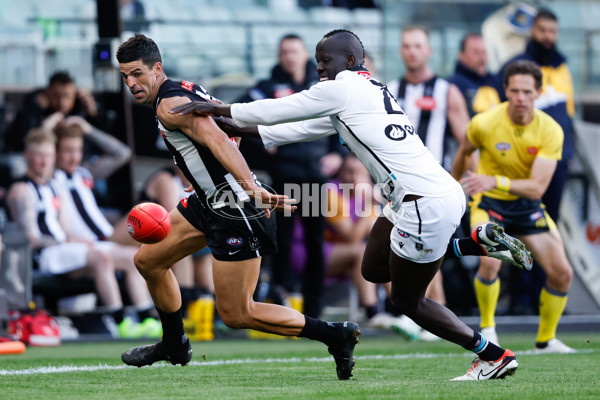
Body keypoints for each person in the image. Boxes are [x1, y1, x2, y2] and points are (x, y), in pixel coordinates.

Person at [171, 29, 535, 380]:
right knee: (374, 268)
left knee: (409, 302)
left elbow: (281, 109)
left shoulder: (343, 88)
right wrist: (225, 124)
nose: (319, 68)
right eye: (316, 61)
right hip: (424, 196)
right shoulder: (366, 90)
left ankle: (493, 355)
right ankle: (474, 244)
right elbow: (292, 130)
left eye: (325, 59)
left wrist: (219, 107)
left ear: (350, 60)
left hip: (422, 203)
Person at [116, 33, 360, 380]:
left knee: (237, 313)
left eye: (137, 73)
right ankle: (174, 343)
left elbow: (217, 138)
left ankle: (334, 335)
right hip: (207, 201)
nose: (131, 82)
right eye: (125, 76)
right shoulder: (184, 88)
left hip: (235, 208)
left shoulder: (168, 104)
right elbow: (232, 129)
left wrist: (247, 187)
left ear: (157, 69)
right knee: (148, 260)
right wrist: (201, 174)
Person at [451, 60, 575, 353]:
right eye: (515, 90)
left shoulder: (551, 130)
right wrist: (451, 187)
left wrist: (493, 179)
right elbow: (463, 153)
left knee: (562, 273)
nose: (520, 97)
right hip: (489, 204)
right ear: (505, 89)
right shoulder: (483, 122)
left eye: (527, 92)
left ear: (538, 92)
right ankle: (488, 329)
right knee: (490, 259)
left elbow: (537, 188)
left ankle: (545, 340)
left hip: (527, 205)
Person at [5, 128, 155, 338]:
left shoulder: (53, 186)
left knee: (132, 256)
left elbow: (64, 230)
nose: (43, 161)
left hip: (63, 250)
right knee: (100, 256)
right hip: (44, 256)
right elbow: (31, 238)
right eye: (38, 155)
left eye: (47, 155)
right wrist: (66, 242)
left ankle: (146, 316)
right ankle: (119, 321)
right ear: (27, 156)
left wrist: (78, 242)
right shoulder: (21, 190)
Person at [237, 33, 345, 318]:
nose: (289, 57)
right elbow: (237, 116)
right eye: (284, 52)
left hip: (311, 179)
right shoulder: (268, 86)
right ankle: (279, 299)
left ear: (303, 54)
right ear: (279, 55)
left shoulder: (321, 84)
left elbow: (342, 117)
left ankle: (314, 307)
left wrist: (338, 152)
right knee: (279, 242)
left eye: (294, 51)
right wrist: (262, 144)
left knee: (313, 242)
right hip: (283, 178)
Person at [385, 25, 471, 338]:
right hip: (398, 186)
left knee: (420, 246)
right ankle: (427, 313)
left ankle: (418, 311)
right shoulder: (390, 89)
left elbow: (467, 140)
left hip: (434, 186)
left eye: (418, 45)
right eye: (407, 46)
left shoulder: (446, 90)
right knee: (417, 247)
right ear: (401, 51)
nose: (412, 51)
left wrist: (462, 178)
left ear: (429, 50)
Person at [52, 121, 161, 337]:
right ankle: (122, 319)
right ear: (54, 151)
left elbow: (122, 153)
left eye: (78, 150)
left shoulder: (83, 173)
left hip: (104, 239)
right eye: (67, 151)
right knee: (149, 217)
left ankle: (147, 316)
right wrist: (50, 127)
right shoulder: (51, 177)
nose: (74, 157)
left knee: (138, 252)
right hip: (92, 244)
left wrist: (89, 129)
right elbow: (37, 147)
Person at [495, 9, 574, 223]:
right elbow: (492, 103)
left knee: (550, 218)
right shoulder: (516, 66)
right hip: (523, 156)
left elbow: (568, 114)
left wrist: (569, 153)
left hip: (558, 156)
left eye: (552, 31)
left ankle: (542, 258)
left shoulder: (561, 67)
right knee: (518, 218)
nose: (548, 36)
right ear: (532, 30)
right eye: (543, 30)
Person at [3, 71, 101, 153]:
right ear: (46, 94)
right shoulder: (33, 111)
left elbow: (101, 145)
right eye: (56, 96)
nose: (62, 102)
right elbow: (18, 142)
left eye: (67, 96)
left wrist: (93, 114)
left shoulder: (81, 111)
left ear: (74, 96)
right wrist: (34, 110)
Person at [448, 33, 500, 117]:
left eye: (484, 52)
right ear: (461, 55)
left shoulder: (496, 82)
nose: (482, 58)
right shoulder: (452, 85)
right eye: (476, 52)